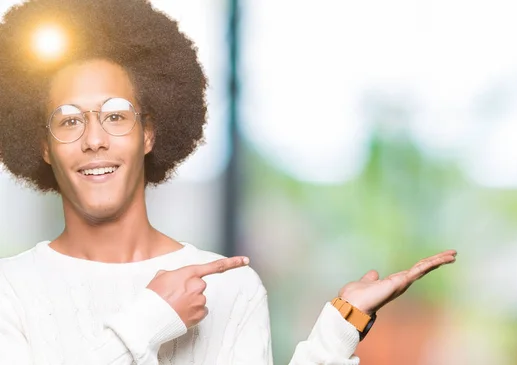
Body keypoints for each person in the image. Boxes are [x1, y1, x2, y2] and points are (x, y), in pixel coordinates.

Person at [0, 0, 457, 364]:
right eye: (69, 121)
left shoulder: (229, 289)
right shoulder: (10, 290)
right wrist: (151, 319)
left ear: (150, 133)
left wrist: (342, 324)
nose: (94, 139)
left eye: (116, 116)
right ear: (42, 146)